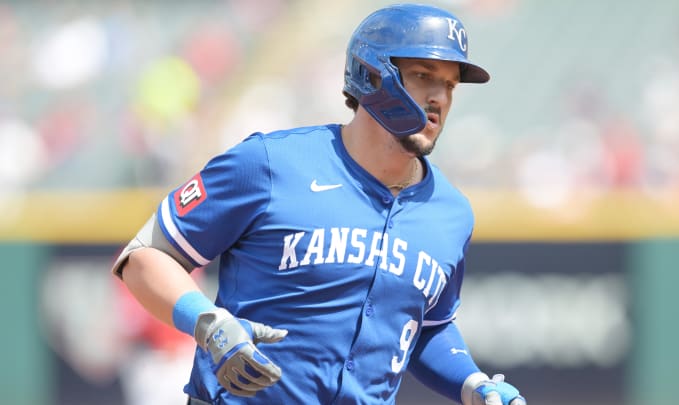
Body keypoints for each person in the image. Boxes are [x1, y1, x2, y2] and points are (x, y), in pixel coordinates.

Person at [111, 3, 526, 405]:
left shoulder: (451, 213)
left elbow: (428, 328)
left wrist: (471, 383)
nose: (439, 97)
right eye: (423, 75)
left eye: (450, 84)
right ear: (373, 75)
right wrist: (209, 323)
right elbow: (145, 257)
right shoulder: (270, 164)